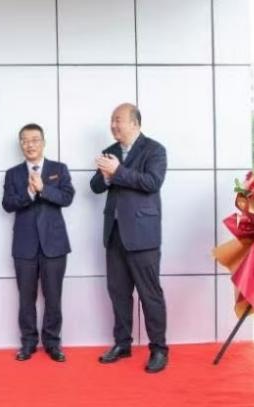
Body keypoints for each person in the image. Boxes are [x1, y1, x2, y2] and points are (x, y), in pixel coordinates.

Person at [89, 103, 168, 373]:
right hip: (114, 234)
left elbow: (152, 183)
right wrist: (105, 177)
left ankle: (159, 349)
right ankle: (122, 344)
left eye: (118, 120)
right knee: (119, 294)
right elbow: (95, 186)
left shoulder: (154, 150)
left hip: (143, 235)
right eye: (112, 120)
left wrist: (117, 172)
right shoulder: (110, 151)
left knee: (150, 294)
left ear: (134, 123)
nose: (113, 125)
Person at [2, 123, 75, 363]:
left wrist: (43, 189)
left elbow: (67, 197)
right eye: (25, 140)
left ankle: (53, 343)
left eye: (34, 140)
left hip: (54, 244)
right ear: (20, 145)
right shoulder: (13, 174)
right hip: (24, 245)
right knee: (26, 298)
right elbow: (7, 204)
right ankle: (28, 343)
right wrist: (30, 194)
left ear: (43, 143)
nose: (30, 144)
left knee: (53, 297)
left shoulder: (58, 169)